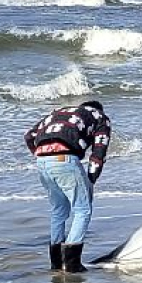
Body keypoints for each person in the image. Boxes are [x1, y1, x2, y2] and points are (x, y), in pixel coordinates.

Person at [24, 100, 112, 273]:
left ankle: (56, 263)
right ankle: (72, 263)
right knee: (83, 209)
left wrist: (41, 155)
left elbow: (29, 135)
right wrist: (91, 179)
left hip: (42, 161)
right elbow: (98, 153)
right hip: (64, 159)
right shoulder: (100, 117)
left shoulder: (59, 112)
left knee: (59, 210)